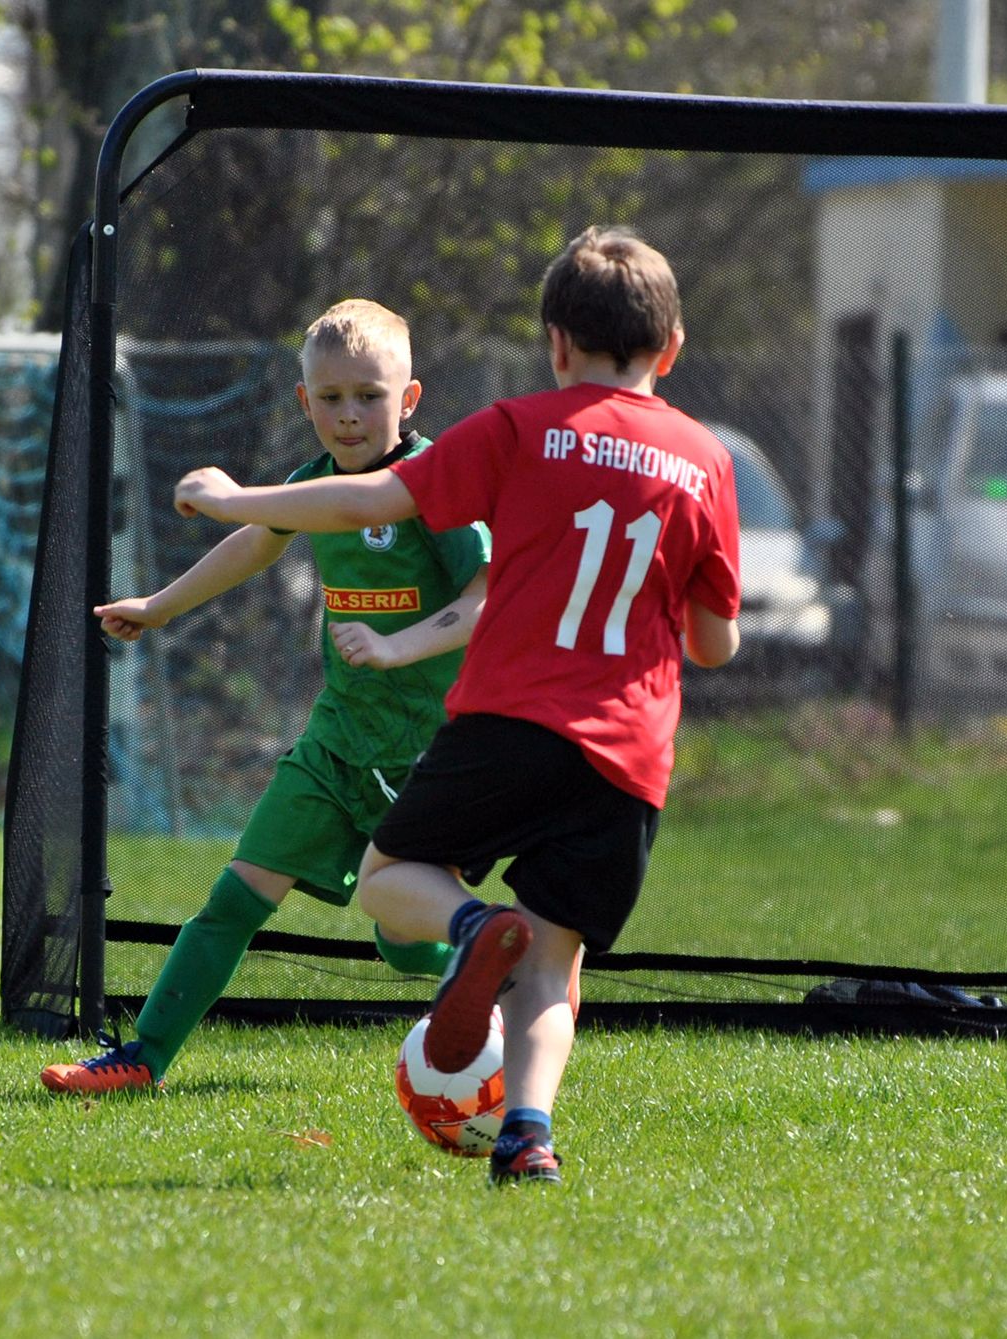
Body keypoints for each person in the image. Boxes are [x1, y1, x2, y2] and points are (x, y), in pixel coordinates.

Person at [171, 228, 742, 1185]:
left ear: (555, 342)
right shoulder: (707, 461)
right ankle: (528, 1132)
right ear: (672, 348)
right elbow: (714, 644)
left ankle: (473, 927)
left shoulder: (517, 428)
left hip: (511, 719)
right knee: (555, 960)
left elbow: (366, 504)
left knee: (393, 873)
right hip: (629, 753)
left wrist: (232, 498)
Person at [41, 298, 491, 1094]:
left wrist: (403, 646)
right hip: (336, 741)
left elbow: (493, 596)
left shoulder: (438, 485)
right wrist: (158, 605)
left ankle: (486, 954)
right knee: (237, 892)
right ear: (303, 402)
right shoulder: (309, 484)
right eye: (330, 398)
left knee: (398, 939)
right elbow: (255, 541)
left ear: (410, 399)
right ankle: (141, 1058)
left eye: (369, 395)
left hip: (430, 752)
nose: (349, 415)